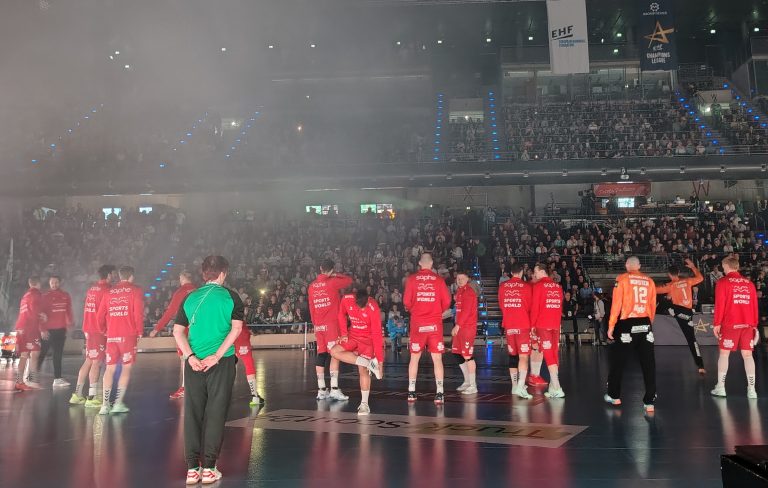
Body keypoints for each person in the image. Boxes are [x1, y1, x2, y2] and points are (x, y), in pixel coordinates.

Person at [173, 256, 243, 485]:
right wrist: (218, 355)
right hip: (220, 364)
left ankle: (192, 469)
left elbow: (177, 332)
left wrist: (190, 356)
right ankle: (210, 468)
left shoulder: (190, 297)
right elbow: (237, 329)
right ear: (223, 273)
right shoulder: (231, 296)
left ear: (204, 274)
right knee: (215, 413)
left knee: (192, 413)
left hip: (193, 364)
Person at [605, 256, 657, 413]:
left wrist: (611, 325)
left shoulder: (622, 279)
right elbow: (652, 305)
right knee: (649, 363)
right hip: (645, 323)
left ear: (627, 265)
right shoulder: (649, 281)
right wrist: (649, 324)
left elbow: (616, 304)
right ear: (639, 266)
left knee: (619, 361)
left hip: (628, 324)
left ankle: (614, 396)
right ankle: (649, 402)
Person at [403, 252, 451, 404]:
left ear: (419, 263)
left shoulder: (411, 279)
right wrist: (436, 311)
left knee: (414, 357)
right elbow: (447, 302)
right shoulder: (438, 280)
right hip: (434, 324)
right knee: (437, 359)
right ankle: (440, 394)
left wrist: (415, 310)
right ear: (431, 264)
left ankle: (411, 392)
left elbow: (406, 302)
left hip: (417, 323)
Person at [96, 266, 144, 415]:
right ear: (131, 277)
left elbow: (99, 315)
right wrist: (140, 331)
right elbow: (138, 313)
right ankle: (117, 403)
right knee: (126, 367)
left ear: (119, 276)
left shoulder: (109, 292)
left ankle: (104, 405)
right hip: (128, 335)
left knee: (109, 368)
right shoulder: (136, 290)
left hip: (111, 335)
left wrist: (103, 330)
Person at [711, 256, 759, 399]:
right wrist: (754, 325)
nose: (722, 269)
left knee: (724, 354)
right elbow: (754, 306)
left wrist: (716, 323)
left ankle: (721, 387)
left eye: (723, 267)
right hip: (747, 324)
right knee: (748, 356)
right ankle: (752, 390)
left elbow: (720, 304)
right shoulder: (749, 284)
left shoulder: (723, 282)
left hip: (730, 324)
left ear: (728, 266)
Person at [331, 289, 384, 416]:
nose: (363, 308)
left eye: (364, 306)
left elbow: (377, 334)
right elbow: (341, 314)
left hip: (368, 340)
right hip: (353, 336)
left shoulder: (373, 306)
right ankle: (368, 363)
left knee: (362, 371)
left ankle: (364, 404)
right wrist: (343, 333)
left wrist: (380, 361)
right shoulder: (347, 299)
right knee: (334, 351)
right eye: (360, 306)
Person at [307, 259, 353, 401]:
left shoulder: (312, 286)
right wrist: (334, 275)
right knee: (335, 354)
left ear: (320, 268)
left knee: (321, 354)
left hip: (319, 325)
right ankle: (333, 389)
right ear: (332, 270)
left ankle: (321, 390)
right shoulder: (332, 281)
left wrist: (315, 324)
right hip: (332, 324)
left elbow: (311, 307)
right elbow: (348, 280)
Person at [70, 265, 115, 407]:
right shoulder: (107, 290)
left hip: (88, 328)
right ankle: (92, 397)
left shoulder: (92, 288)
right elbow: (106, 313)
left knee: (89, 360)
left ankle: (77, 395)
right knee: (96, 362)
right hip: (98, 330)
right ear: (109, 275)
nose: (114, 276)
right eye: (113, 274)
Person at [149, 271, 196, 399]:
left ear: (183, 278)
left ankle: (185, 388)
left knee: (185, 359)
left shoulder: (180, 292)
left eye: (180, 277)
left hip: (184, 330)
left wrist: (156, 329)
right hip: (199, 329)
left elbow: (170, 312)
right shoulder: (198, 291)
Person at [656, 259, 706, 374]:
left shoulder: (670, 285)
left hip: (679, 311)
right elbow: (700, 278)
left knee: (666, 302)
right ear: (678, 273)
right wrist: (693, 266)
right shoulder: (687, 281)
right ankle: (701, 366)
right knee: (692, 341)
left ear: (669, 274)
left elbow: (655, 290)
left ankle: (666, 310)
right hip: (688, 312)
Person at [530, 263, 565, 398]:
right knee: (554, 353)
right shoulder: (558, 287)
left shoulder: (539, 286)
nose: (535, 274)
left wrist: (533, 326)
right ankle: (552, 386)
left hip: (543, 324)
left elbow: (535, 307)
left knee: (548, 354)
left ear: (541, 271)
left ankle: (557, 386)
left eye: (535, 271)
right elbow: (559, 306)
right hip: (555, 324)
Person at [499, 263, 533, 399]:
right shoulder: (526, 286)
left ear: (511, 272)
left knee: (513, 356)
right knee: (523, 356)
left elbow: (501, 305)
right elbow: (530, 306)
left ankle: (514, 386)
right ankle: (520, 386)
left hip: (509, 324)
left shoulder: (502, 287)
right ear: (521, 272)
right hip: (523, 324)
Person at [39, 275, 73, 387]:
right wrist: (42, 329)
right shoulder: (45, 296)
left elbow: (68, 311)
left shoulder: (65, 295)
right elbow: (40, 314)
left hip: (61, 330)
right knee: (42, 354)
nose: (54, 284)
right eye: (52, 283)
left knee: (57, 355)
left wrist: (69, 324)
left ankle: (57, 379)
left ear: (60, 283)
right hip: (48, 331)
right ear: (49, 284)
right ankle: (32, 376)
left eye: (56, 282)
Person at [14, 277, 45, 391]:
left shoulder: (25, 295)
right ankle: (31, 380)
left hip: (21, 327)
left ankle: (19, 381)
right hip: (29, 328)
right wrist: (42, 317)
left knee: (24, 355)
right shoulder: (36, 294)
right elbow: (34, 310)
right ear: (38, 283)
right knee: (35, 353)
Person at [452, 271, 478, 395]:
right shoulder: (459, 292)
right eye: (458, 278)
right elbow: (457, 310)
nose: (459, 280)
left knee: (468, 356)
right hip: (460, 328)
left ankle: (473, 385)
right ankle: (467, 381)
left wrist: (457, 325)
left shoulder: (469, 292)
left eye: (462, 278)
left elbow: (466, 312)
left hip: (467, 328)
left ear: (468, 278)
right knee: (457, 353)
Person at [233, 323, 265, 407]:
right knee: (249, 366)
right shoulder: (238, 314)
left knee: (224, 365)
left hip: (229, 334)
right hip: (240, 335)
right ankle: (255, 396)